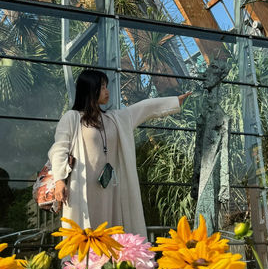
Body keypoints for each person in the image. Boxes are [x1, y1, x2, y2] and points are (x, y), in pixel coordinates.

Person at [48, 69, 190, 238]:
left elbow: (144, 108)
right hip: (84, 189)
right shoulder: (72, 118)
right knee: (84, 236)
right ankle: (83, 265)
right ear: (89, 88)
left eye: (106, 86)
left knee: (113, 231)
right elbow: (59, 149)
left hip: (111, 188)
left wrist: (174, 102)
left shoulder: (115, 118)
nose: (107, 91)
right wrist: (59, 181)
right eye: (102, 87)